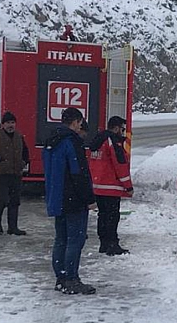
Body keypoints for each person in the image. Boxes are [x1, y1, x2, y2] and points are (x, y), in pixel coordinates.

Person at [43, 107, 97, 295]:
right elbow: (78, 173)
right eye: (80, 122)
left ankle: (61, 278)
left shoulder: (51, 141)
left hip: (57, 197)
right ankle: (71, 279)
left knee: (61, 239)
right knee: (75, 240)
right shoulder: (72, 142)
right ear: (75, 122)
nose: (80, 126)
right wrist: (89, 198)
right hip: (73, 199)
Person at [88, 116, 133, 255]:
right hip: (111, 187)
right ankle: (112, 245)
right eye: (122, 129)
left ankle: (104, 243)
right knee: (112, 217)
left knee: (103, 216)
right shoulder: (112, 141)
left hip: (98, 186)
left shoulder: (98, 141)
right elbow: (120, 165)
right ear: (116, 128)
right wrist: (128, 186)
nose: (123, 132)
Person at [0, 111, 30, 235]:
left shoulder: (19, 136)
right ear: (3, 124)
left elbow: (25, 151)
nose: (11, 125)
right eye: (8, 123)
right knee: (2, 199)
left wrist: (24, 162)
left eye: (13, 123)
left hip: (16, 173)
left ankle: (13, 227)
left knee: (15, 201)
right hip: (1, 174)